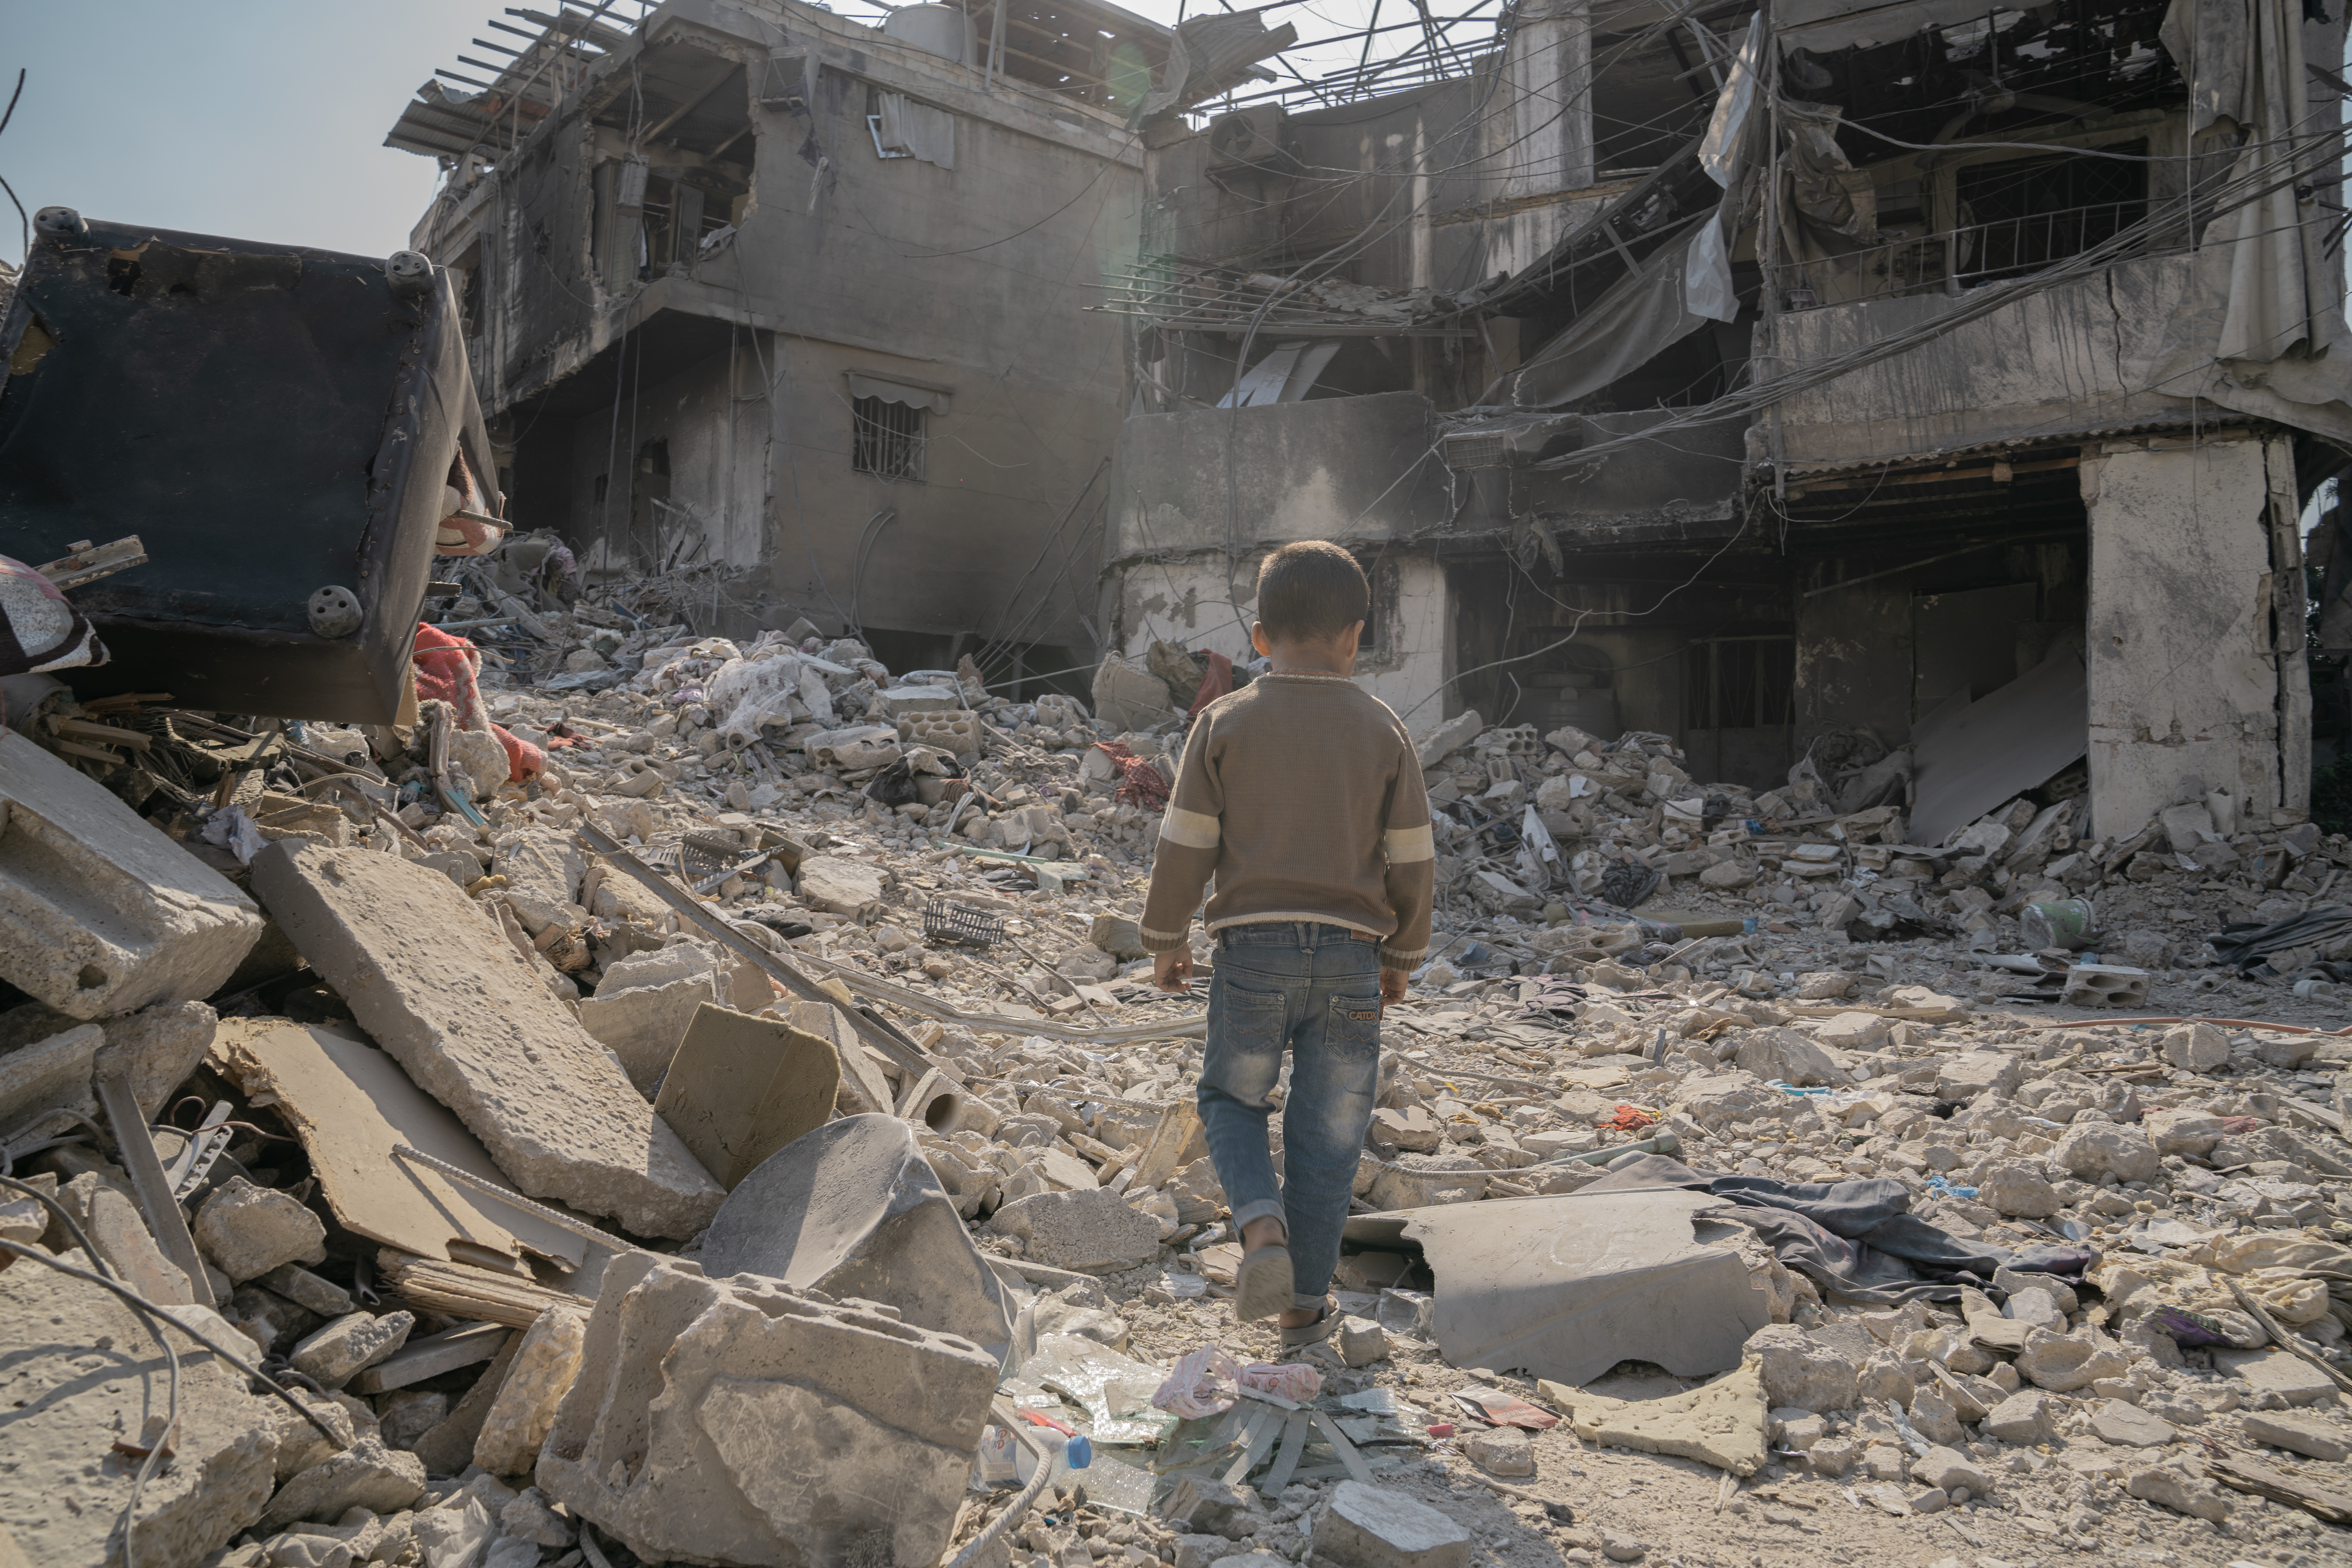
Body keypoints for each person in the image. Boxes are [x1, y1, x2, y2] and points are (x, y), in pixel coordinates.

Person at [1140, 541, 1435, 1346]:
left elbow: (1187, 841)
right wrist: (1403, 953)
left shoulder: (1224, 721)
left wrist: (1166, 936)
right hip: (1351, 960)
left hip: (1253, 951)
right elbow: (1413, 856)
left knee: (1232, 1100)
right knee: (1329, 1137)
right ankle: (1304, 1307)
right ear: (1355, 636)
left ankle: (1260, 1229)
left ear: (1261, 637)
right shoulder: (1385, 730)